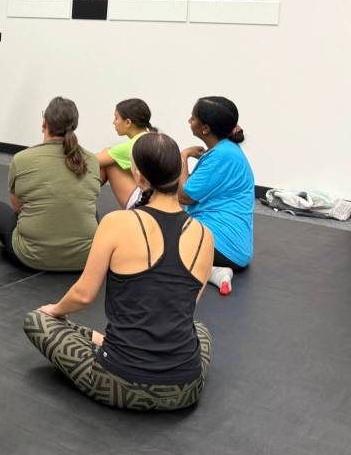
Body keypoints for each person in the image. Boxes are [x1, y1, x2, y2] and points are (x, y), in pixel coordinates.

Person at [24, 133, 215, 411]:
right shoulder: (205, 235)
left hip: (119, 382)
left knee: (36, 320)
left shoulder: (116, 223)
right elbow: (184, 309)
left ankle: (104, 342)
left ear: (140, 178)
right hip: (185, 388)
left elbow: (83, 295)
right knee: (200, 330)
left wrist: (54, 311)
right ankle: (106, 340)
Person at [0, 97, 100, 271]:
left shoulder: (22, 159)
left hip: (31, 257)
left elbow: (17, 207)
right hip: (84, 258)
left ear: (44, 123)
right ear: (74, 126)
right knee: (90, 209)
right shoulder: (92, 160)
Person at [179, 96, 255, 295]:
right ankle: (215, 271)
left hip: (222, 246)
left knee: (151, 238)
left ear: (205, 129)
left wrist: (183, 155)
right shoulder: (225, 150)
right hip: (232, 249)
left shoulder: (222, 155)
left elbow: (184, 196)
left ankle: (209, 269)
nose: (189, 120)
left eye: (193, 118)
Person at [96, 98, 157, 209]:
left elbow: (90, 160)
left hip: (144, 202)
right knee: (110, 154)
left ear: (128, 122)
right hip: (160, 198)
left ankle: (80, 198)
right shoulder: (151, 136)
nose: (113, 122)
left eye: (116, 118)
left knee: (108, 160)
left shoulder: (133, 144)